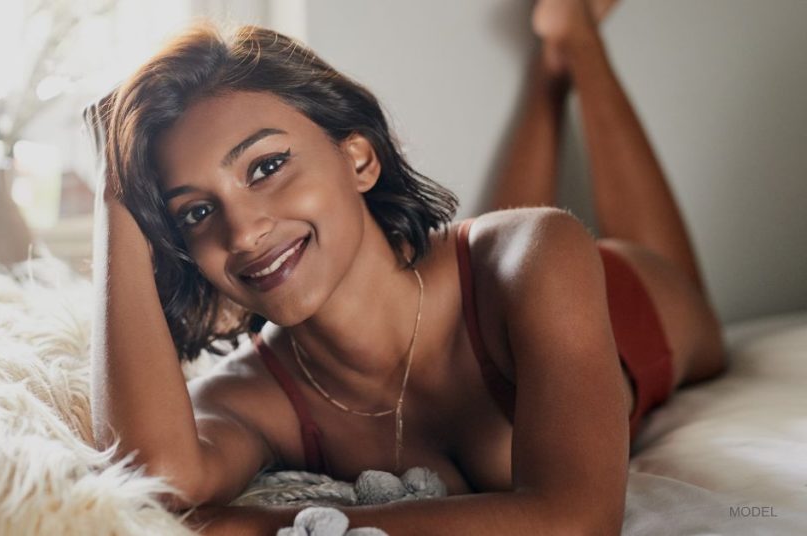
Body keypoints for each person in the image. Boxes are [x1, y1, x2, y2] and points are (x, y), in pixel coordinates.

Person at [86, 0, 727, 533]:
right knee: (493, 247)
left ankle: (573, 40)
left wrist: (276, 525)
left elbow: (576, 522)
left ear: (360, 159)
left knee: (529, 242)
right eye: (196, 212)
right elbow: (158, 480)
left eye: (266, 167)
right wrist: (114, 194)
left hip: (630, 299)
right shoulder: (253, 395)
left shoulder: (541, 255)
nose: (245, 230)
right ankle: (549, 71)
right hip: (485, 289)